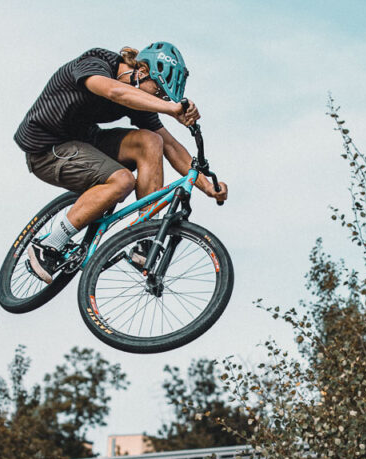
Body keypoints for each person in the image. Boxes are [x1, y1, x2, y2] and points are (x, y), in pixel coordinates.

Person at [14, 43, 228, 284]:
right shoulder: (96, 62)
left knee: (151, 141)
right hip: (46, 148)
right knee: (123, 179)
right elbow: (115, 92)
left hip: (85, 141)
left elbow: (171, 147)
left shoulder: (139, 96)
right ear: (143, 71)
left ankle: (144, 238)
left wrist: (207, 186)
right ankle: (49, 245)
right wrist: (169, 108)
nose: (156, 99)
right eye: (158, 92)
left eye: (161, 97)